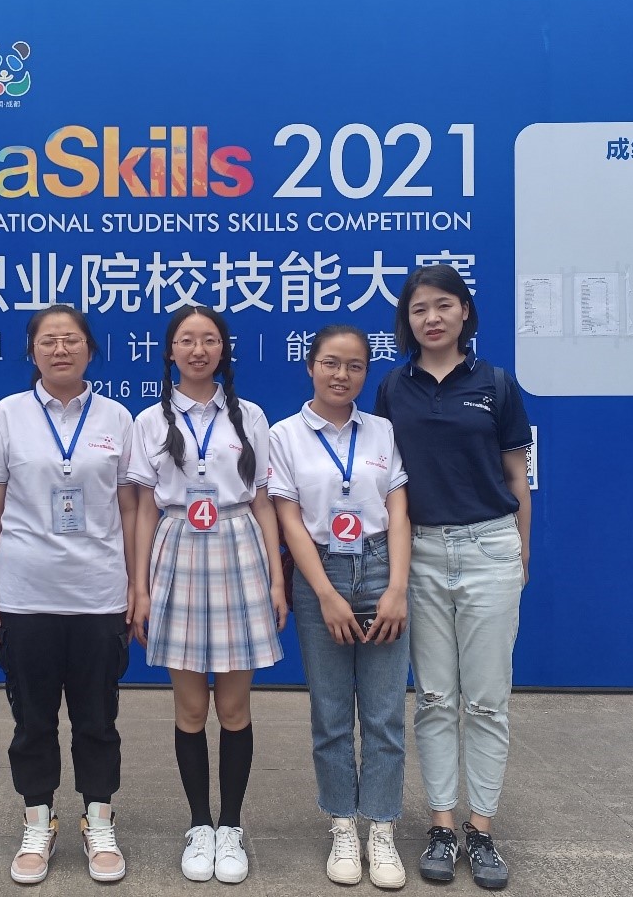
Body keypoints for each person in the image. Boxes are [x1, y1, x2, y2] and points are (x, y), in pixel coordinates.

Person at [373, 264, 532, 891]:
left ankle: (482, 829)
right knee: (436, 697)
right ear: (407, 321)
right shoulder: (394, 387)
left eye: (443, 305)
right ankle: (442, 825)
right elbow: (389, 483)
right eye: (419, 309)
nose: (431, 318)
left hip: (490, 547)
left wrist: (521, 553)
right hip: (422, 552)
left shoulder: (496, 384)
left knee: (487, 699)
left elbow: (517, 477)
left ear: (464, 311)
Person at [0, 304, 137, 885]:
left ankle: (99, 819)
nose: (60, 349)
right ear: (32, 351)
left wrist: (135, 584)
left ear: (90, 349)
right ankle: (38, 820)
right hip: (26, 592)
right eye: (48, 341)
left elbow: (129, 507)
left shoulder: (117, 417)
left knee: (97, 718)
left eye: (71, 340)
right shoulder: (8, 415)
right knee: (33, 719)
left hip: (98, 593)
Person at [127, 305, 287, 885]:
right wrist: (139, 585)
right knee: (191, 708)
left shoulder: (250, 416)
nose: (198, 350)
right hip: (176, 547)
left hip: (239, 544)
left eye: (209, 340)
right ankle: (199, 824)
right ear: (170, 351)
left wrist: (277, 577)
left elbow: (263, 499)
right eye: (187, 340)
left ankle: (231, 827)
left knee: (235, 708)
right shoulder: (150, 420)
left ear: (224, 349)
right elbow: (144, 508)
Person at [269, 325, 411, 890]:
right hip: (319, 571)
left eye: (354, 366)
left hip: (379, 567)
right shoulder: (284, 435)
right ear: (311, 366)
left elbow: (398, 511)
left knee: (384, 713)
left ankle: (382, 825)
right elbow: (289, 519)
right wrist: (325, 594)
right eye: (330, 363)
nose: (341, 375)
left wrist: (396, 587)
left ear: (366, 373)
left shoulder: (382, 431)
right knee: (330, 713)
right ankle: (343, 825)